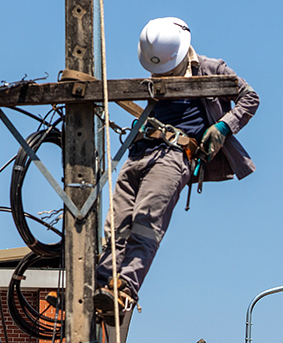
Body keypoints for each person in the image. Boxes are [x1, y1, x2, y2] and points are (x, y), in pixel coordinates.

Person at [93, 17, 259, 316]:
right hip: (139, 151)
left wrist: (224, 126)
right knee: (115, 227)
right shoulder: (155, 70)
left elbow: (250, 97)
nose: (163, 73)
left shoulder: (211, 69)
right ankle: (102, 288)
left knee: (145, 222)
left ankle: (125, 289)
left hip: (173, 156)